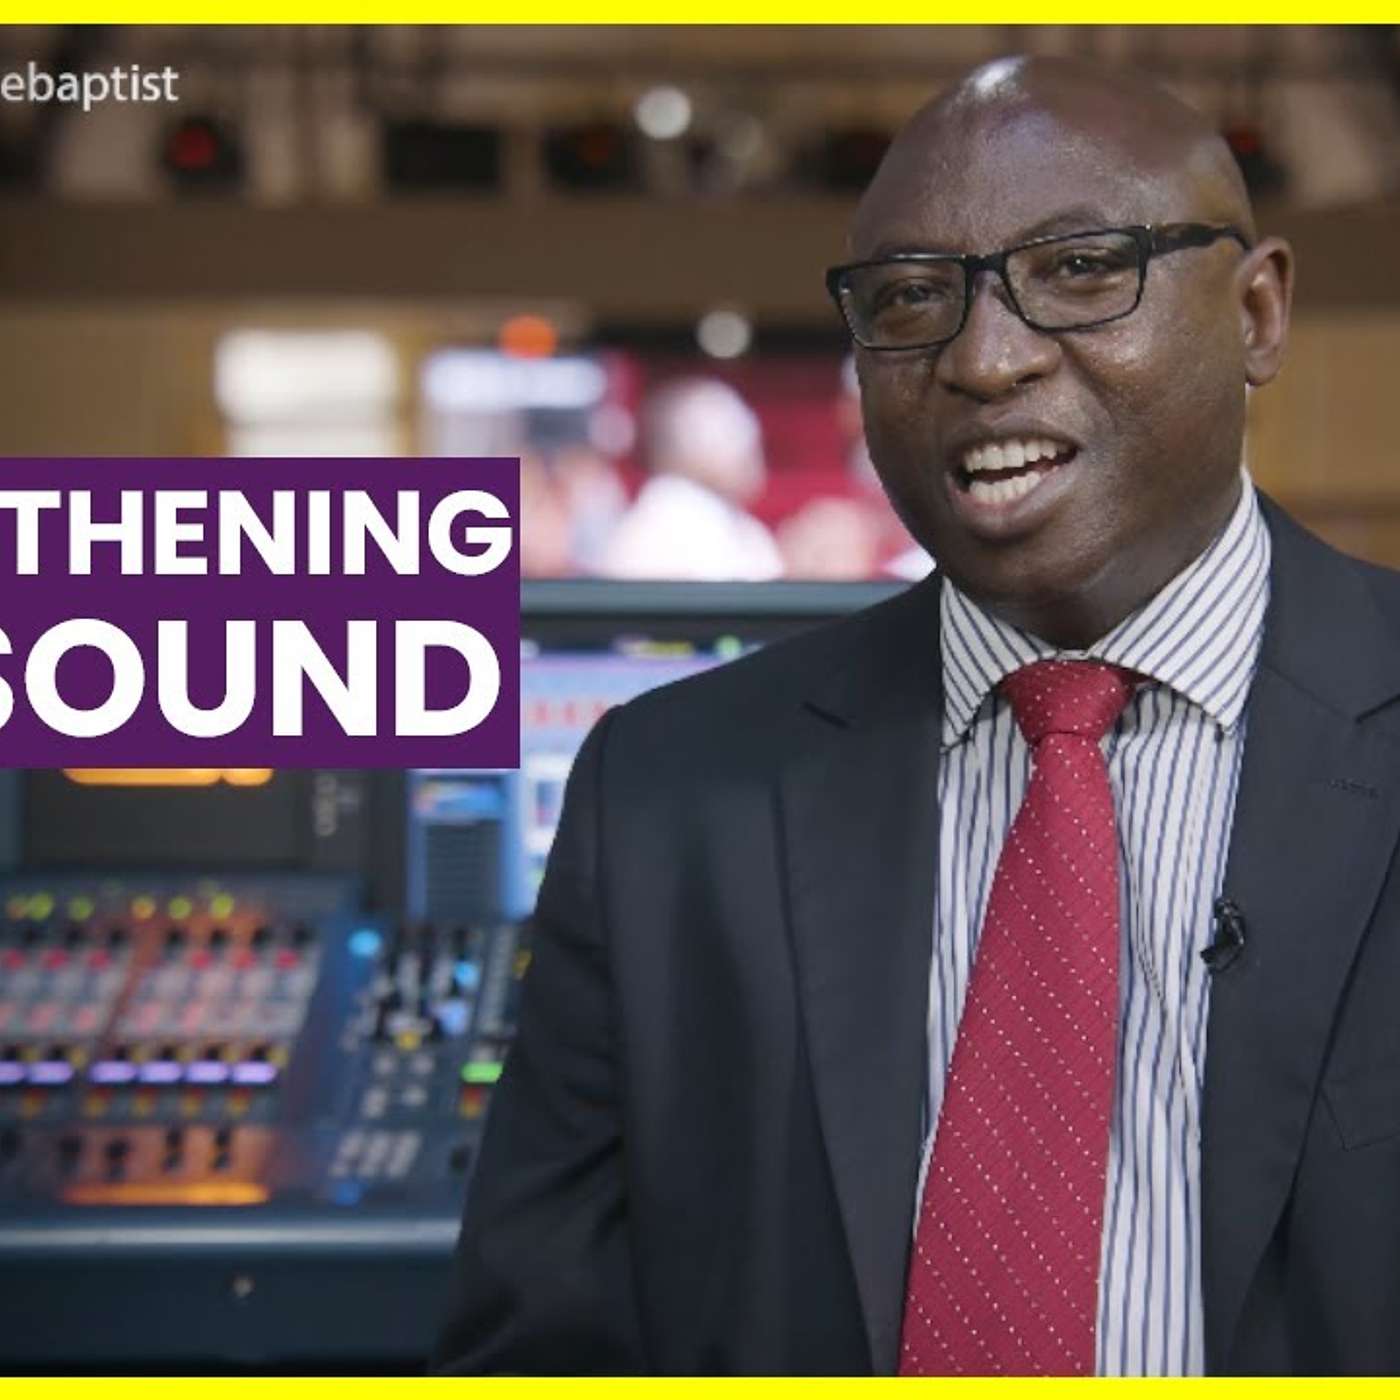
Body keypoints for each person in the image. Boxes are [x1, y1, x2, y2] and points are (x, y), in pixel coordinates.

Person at [435, 55, 1400, 1376]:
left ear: (1256, 312)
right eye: (908, 299)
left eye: (1081, 269)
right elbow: (540, 1346)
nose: (984, 359)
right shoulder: (668, 801)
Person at [598, 376, 783, 581]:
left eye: (745, 423)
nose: (749, 440)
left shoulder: (741, 527)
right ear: (671, 451)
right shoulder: (662, 533)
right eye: (729, 429)